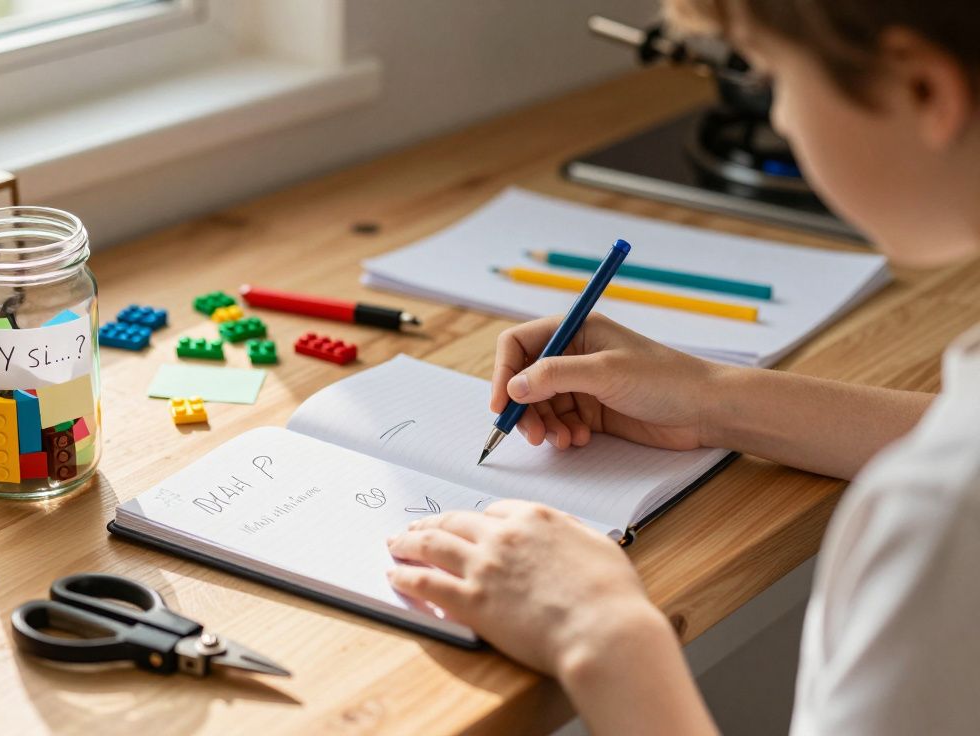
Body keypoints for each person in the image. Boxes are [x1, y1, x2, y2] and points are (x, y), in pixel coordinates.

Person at [385, 1, 980, 733]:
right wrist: (711, 399)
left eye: (774, 77)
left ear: (923, 91)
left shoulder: (941, 520)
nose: (783, 121)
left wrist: (603, 636)